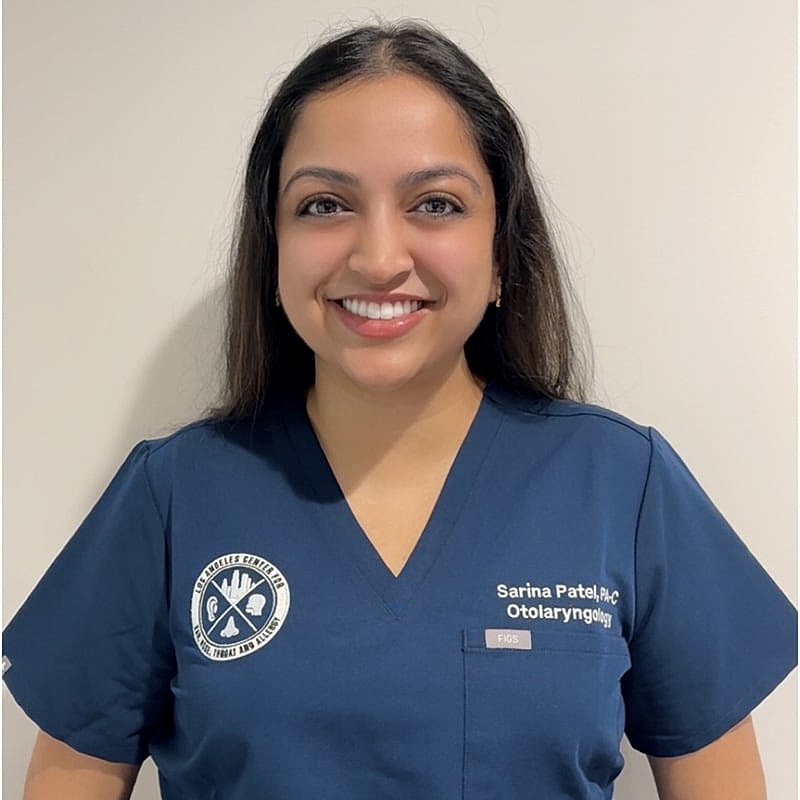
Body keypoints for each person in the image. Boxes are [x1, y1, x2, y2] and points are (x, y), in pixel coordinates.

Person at [3, 19, 796, 800]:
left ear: (500, 257)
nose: (379, 258)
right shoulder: (171, 496)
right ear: (272, 249)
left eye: (437, 204)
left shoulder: (624, 486)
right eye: (322, 205)